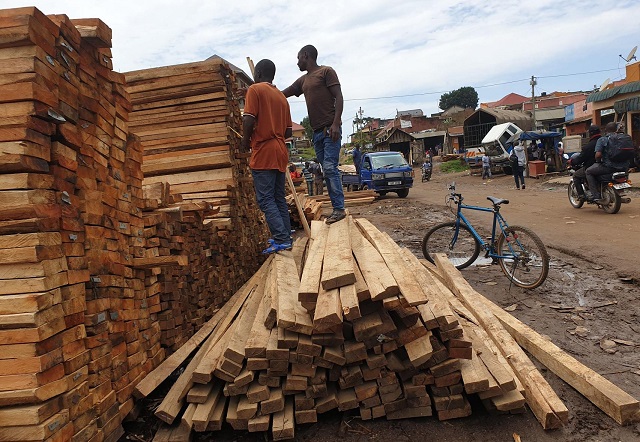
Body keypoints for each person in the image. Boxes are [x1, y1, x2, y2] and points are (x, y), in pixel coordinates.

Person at [282, 45, 345, 224]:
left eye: (298, 59)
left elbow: (339, 97)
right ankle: (336, 209)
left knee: (331, 168)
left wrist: (335, 123)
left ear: (305, 55)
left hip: (329, 130)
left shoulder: (326, 72)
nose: (297, 62)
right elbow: (283, 94)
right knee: (326, 170)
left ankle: (339, 209)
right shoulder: (303, 81)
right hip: (317, 133)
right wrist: (259, 92)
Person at [241, 59, 293, 254]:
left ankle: (280, 238)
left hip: (264, 150)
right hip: (280, 149)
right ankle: (286, 237)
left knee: (265, 199)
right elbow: (288, 132)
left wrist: (246, 140)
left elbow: (248, 119)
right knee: (278, 197)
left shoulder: (255, 90)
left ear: (259, 73)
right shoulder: (281, 97)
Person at [586, 122, 631, 202]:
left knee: (588, 172)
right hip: (624, 167)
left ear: (606, 130)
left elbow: (598, 155)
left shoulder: (603, 139)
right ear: (616, 129)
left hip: (609, 167)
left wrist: (598, 160)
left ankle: (595, 195)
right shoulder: (624, 138)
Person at [567, 124, 600, 200]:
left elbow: (581, 158)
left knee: (576, 175)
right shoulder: (604, 141)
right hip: (604, 165)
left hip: (591, 166)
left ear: (590, 133)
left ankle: (581, 195)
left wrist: (572, 162)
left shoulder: (588, 146)